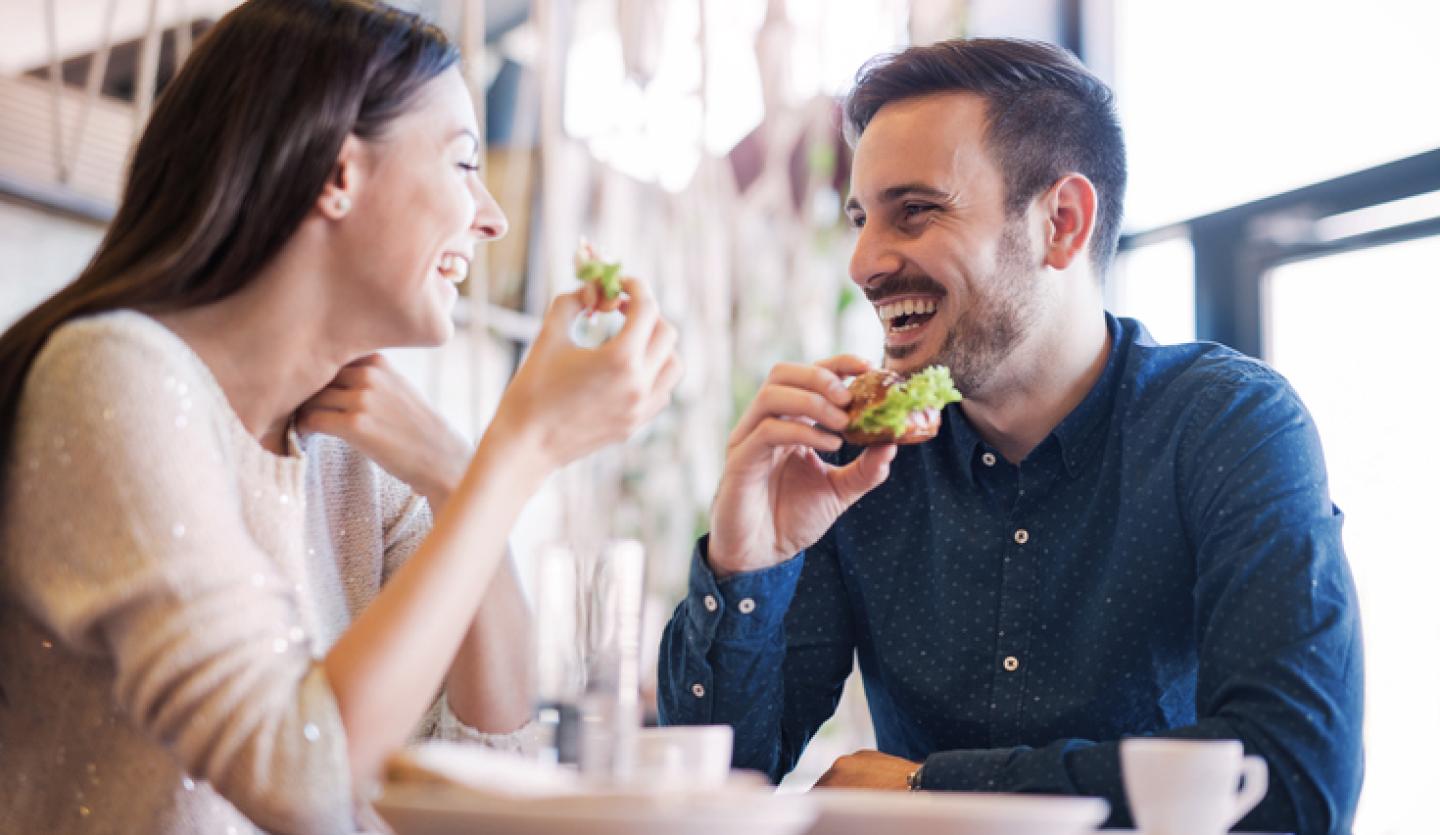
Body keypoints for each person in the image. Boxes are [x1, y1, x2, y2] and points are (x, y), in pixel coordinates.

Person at [0, 1, 681, 833]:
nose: (492, 216)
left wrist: (460, 473)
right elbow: (300, 776)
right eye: (463, 164)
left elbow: (486, 766)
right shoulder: (109, 374)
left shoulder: (355, 455)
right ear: (337, 174)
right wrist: (521, 449)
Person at [658, 37, 1361, 833]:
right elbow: (707, 786)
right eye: (859, 217)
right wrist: (747, 561)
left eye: (914, 210)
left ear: (1061, 222)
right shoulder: (853, 462)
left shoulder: (1228, 427)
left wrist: (935, 788)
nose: (862, 260)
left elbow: (1297, 781)